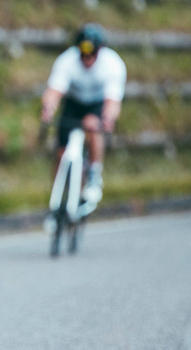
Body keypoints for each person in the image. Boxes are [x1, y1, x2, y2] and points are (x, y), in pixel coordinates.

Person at [39, 23, 127, 216]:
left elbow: (112, 102)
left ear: (99, 52)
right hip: (73, 102)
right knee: (61, 152)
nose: (87, 60)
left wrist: (108, 119)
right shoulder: (67, 61)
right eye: (83, 55)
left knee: (92, 125)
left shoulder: (112, 64)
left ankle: (94, 173)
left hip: (97, 104)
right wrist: (48, 109)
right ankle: (57, 201)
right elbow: (54, 91)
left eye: (91, 55)